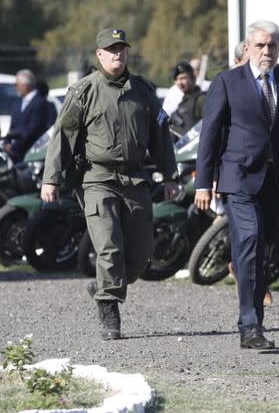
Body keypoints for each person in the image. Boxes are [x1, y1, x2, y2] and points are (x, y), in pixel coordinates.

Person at [194, 20, 279, 351]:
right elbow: (209, 134)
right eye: (261, 45)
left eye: (273, 45)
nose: (267, 51)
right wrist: (202, 183)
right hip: (238, 177)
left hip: (277, 180)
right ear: (248, 48)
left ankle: (244, 280)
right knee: (250, 241)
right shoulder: (227, 82)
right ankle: (250, 326)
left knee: (263, 247)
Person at [40, 28, 177, 341]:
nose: (118, 54)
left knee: (142, 255)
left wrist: (170, 176)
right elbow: (62, 137)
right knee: (109, 247)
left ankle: (104, 286)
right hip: (97, 178)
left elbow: (160, 136)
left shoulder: (143, 90)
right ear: (99, 54)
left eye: (122, 49)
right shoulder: (84, 91)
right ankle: (109, 310)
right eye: (111, 50)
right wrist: (51, 179)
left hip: (135, 178)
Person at [3, 69, 53, 162]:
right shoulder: (17, 104)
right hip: (13, 154)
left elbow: (33, 129)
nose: (16, 87)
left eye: (17, 84)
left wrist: (14, 147)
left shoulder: (40, 103)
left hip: (30, 154)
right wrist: (6, 143)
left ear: (26, 85)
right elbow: (12, 127)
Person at [168, 61, 206, 137]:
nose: (179, 82)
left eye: (183, 78)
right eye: (177, 79)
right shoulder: (184, 101)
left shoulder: (201, 100)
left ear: (193, 78)